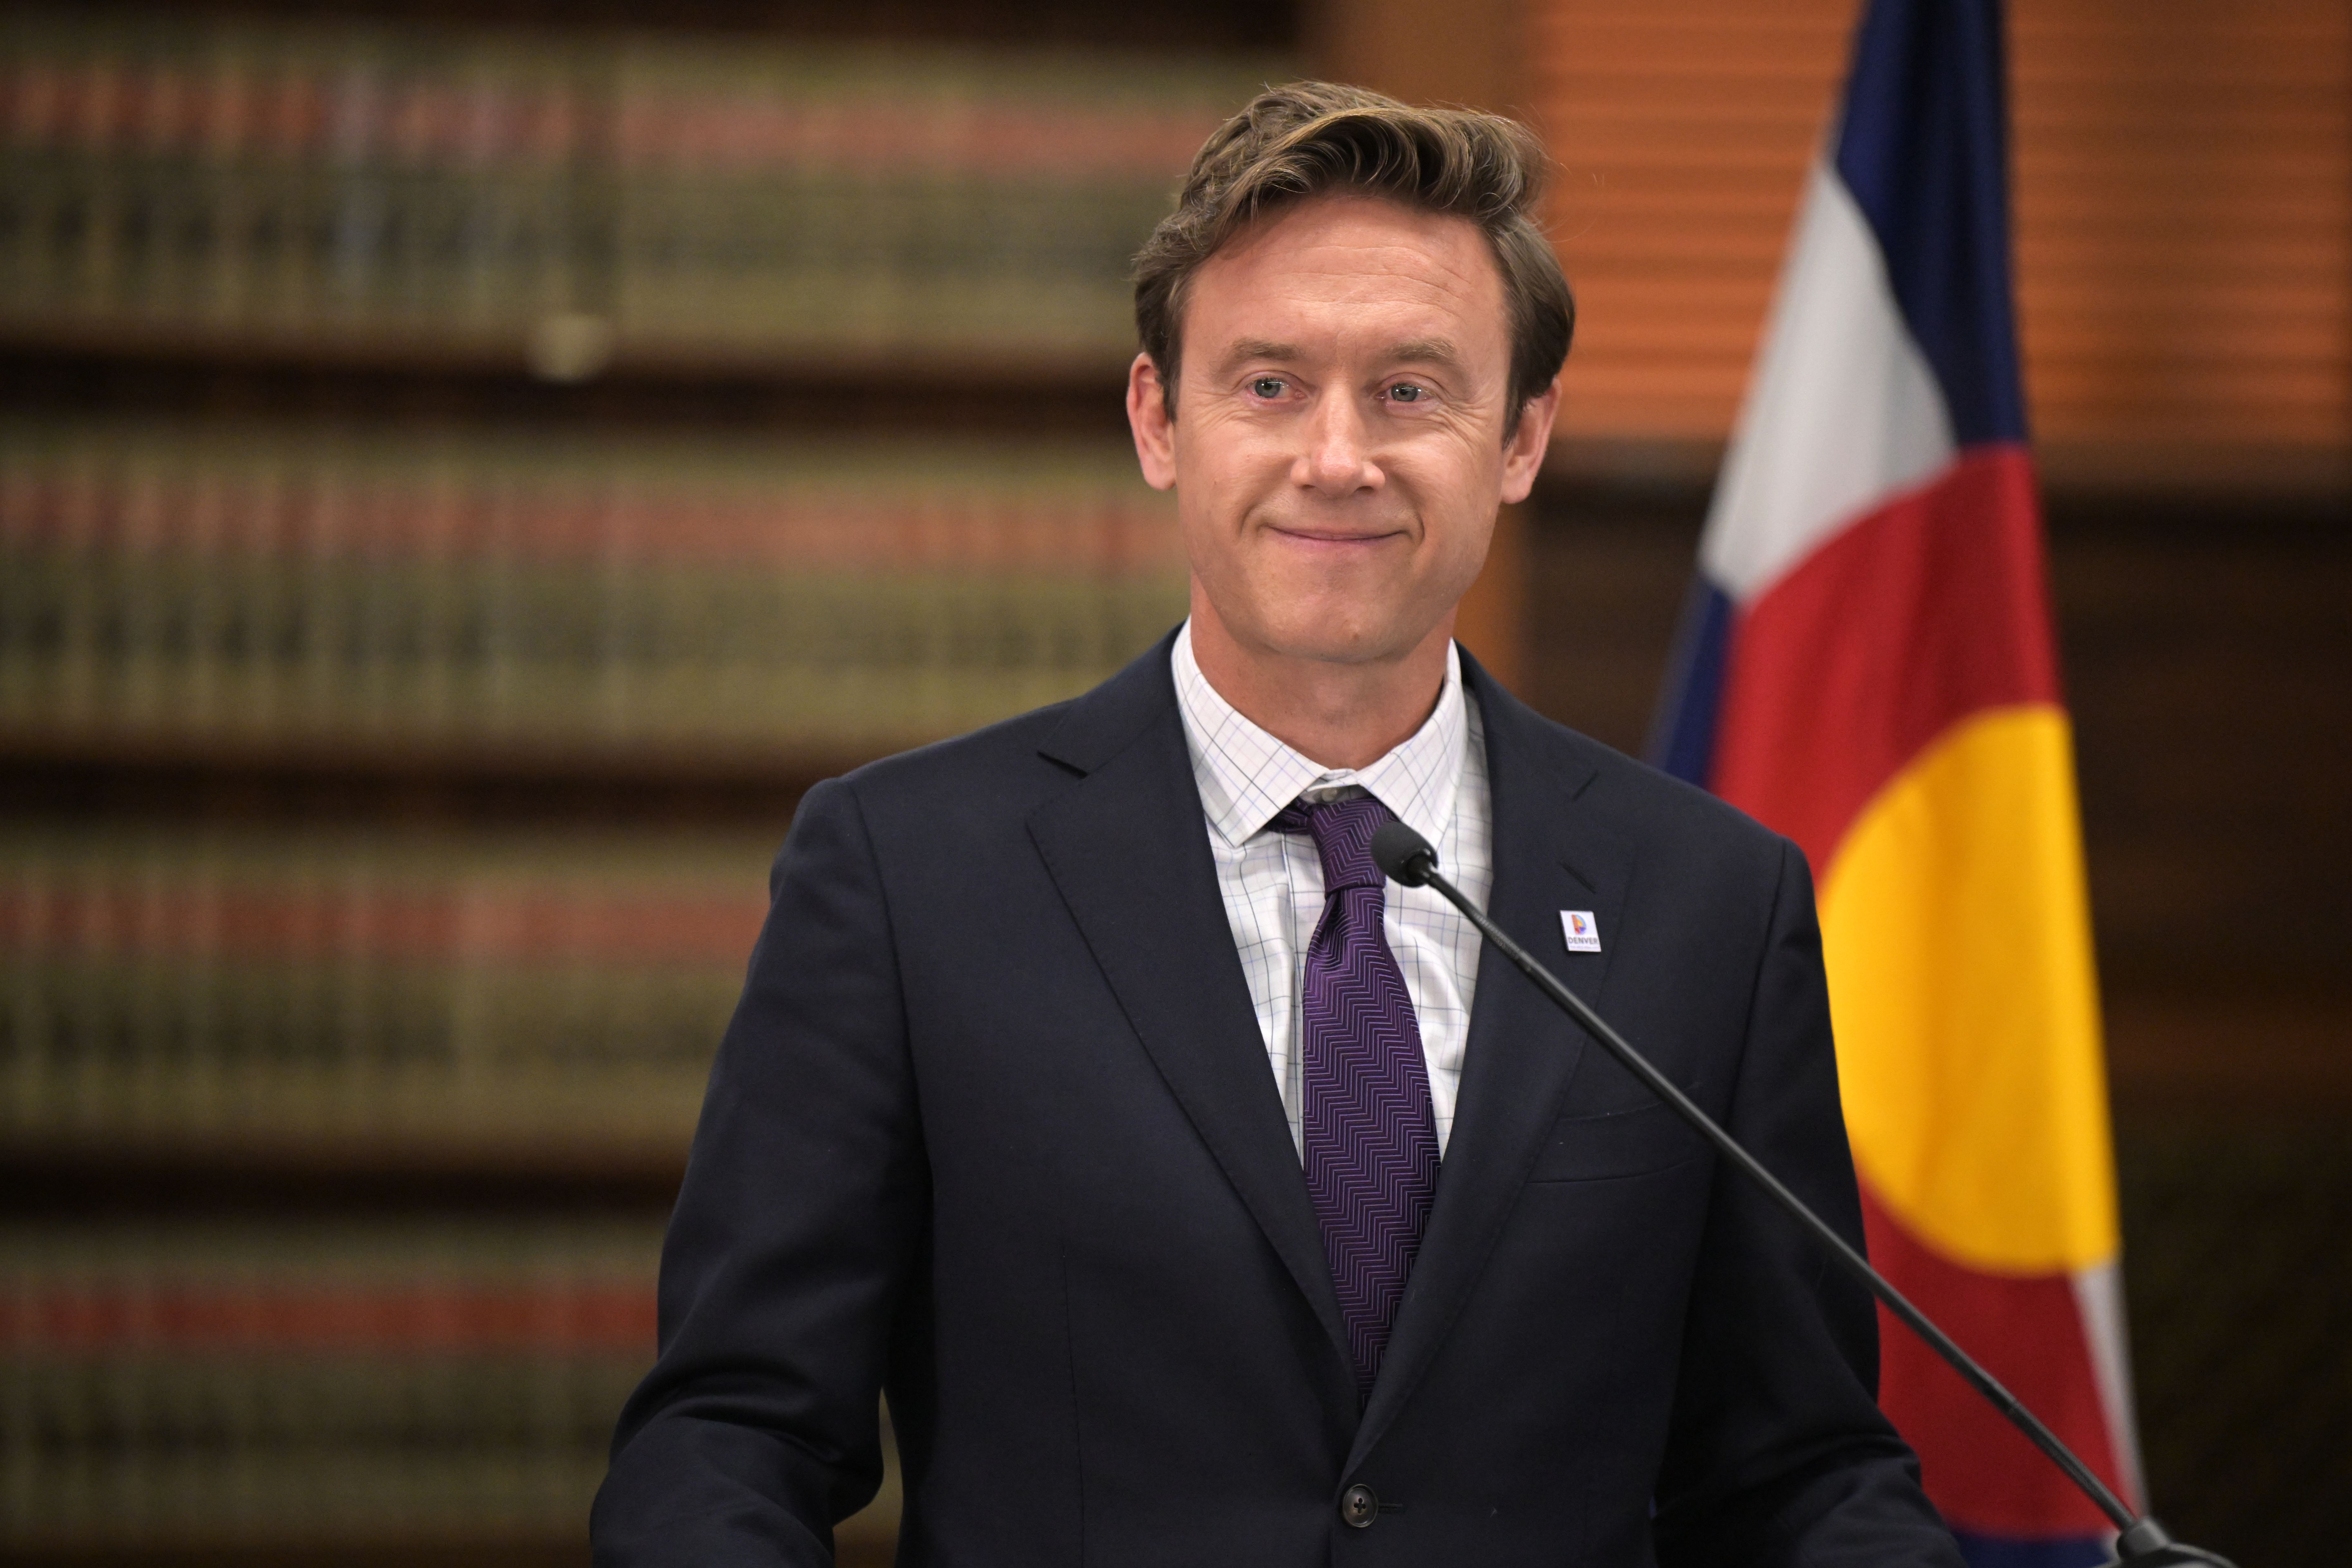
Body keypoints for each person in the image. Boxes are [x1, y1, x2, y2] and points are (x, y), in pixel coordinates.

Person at [592, 82, 1963, 1567]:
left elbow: (1798, 1471)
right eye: (1265, 385)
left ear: (1519, 437)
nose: (1334, 456)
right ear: (1155, 420)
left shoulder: (1708, 899)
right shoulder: (906, 873)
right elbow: (731, 1434)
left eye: (1409, 389)